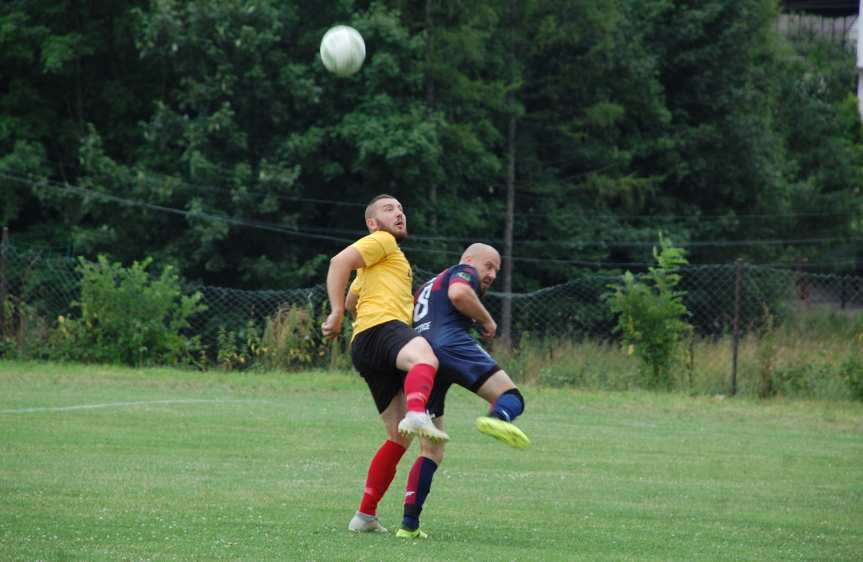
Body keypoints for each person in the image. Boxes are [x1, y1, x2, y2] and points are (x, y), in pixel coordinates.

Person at [321, 194, 448, 535]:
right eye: (389, 209)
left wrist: (349, 316)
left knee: (397, 437)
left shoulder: (379, 261)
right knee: (425, 357)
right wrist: (335, 312)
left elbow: (353, 299)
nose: (400, 213)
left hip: (366, 342)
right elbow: (337, 263)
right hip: (383, 330)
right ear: (372, 223)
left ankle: (364, 516)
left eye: (402, 209)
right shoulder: (382, 242)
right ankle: (418, 411)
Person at [394, 242, 529, 539]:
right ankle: (498, 418)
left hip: (423, 359)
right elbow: (458, 294)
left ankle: (409, 525)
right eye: (488, 265)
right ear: (469, 260)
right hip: (450, 344)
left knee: (431, 450)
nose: (492, 274)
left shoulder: (426, 287)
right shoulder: (462, 271)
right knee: (511, 397)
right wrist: (487, 319)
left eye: (497, 269)